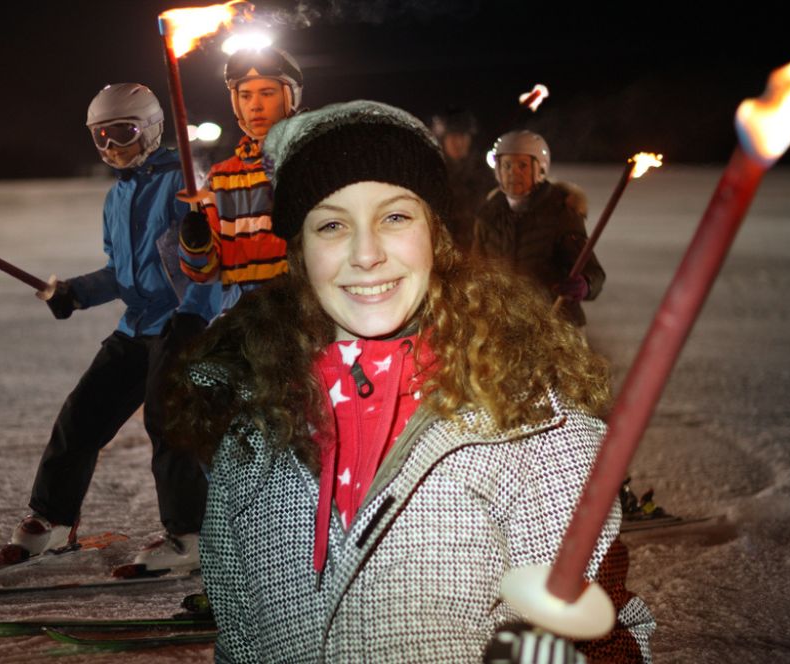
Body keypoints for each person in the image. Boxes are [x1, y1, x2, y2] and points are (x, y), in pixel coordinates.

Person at [167, 101, 654, 661]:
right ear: (299, 252)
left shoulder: (533, 430)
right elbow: (242, 643)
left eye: (395, 217)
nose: (367, 254)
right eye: (331, 224)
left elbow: (610, 633)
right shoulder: (253, 433)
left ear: (436, 236)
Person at [0, 83, 221, 574]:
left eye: (124, 133)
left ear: (153, 129)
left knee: (169, 425)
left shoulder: (186, 181)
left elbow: (213, 263)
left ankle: (189, 536)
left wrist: (196, 312)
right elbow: (123, 274)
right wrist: (74, 292)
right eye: (101, 137)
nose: (112, 147)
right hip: (136, 325)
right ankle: (53, 519)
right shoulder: (116, 197)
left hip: (182, 323)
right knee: (81, 416)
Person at [177, 46, 303, 311]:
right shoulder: (221, 178)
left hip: (301, 316)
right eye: (245, 96)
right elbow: (204, 273)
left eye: (267, 94)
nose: (255, 105)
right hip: (240, 320)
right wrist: (196, 246)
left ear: (290, 96)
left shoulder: (311, 163)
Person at [472, 130, 605, 326]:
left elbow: (593, 272)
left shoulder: (560, 212)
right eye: (507, 165)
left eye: (522, 165)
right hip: (502, 325)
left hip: (553, 326)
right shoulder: (488, 215)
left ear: (540, 169)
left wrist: (585, 284)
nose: (513, 173)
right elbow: (475, 270)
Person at [430, 105, 494, 249]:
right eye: (453, 136)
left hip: (477, 251)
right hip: (442, 252)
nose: (459, 142)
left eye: (463, 136)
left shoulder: (483, 172)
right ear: (442, 139)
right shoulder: (432, 173)